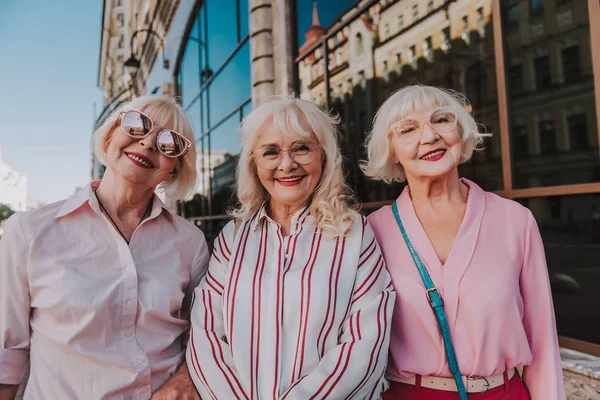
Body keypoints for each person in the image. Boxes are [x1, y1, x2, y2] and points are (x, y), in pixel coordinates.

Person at [363, 85, 566, 399]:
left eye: (441, 120)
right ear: (390, 151)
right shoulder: (371, 232)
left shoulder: (515, 220)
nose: (429, 136)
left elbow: (542, 340)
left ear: (460, 130)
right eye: (408, 129)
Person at [186, 95, 395, 399]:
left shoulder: (356, 234)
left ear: (324, 156)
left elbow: (364, 345)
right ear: (254, 164)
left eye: (301, 148)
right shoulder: (232, 238)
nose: (287, 164)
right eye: (270, 152)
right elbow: (206, 335)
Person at [0, 96, 209, 399]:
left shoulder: (190, 242)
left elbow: (206, 335)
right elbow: (7, 353)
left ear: (174, 170)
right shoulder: (29, 231)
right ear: (111, 134)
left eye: (169, 143)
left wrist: (186, 380)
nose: (149, 143)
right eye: (137, 126)